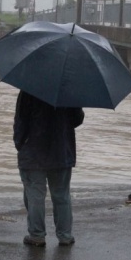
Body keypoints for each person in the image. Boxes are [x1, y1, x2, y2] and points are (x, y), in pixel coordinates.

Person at [13, 91, 85, 247]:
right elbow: (77, 119)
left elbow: (21, 120)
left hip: (33, 151)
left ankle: (37, 236)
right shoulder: (70, 90)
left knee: (35, 195)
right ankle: (65, 236)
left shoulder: (29, 89)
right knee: (61, 195)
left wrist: (19, 144)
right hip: (61, 151)